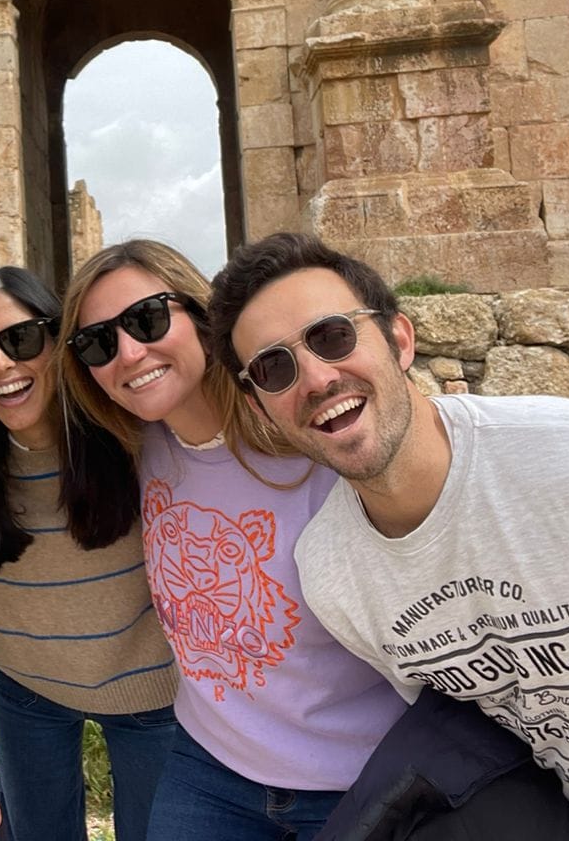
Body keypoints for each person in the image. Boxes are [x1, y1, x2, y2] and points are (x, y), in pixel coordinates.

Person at [206, 231, 569, 841]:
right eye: (274, 368)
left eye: (333, 336)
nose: (317, 378)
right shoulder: (332, 571)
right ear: (259, 408)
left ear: (399, 340)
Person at [57, 240, 407, 841]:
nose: (129, 352)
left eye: (147, 319)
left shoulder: (314, 442)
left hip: (360, 779)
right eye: (97, 342)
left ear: (201, 316)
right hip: (211, 770)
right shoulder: (139, 450)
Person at [0, 266, 178, 841]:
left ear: (59, 339)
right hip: (24, 683)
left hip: (147, 689)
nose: (0, 364)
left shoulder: (135, 435)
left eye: (21, 339)